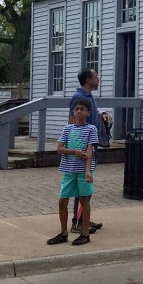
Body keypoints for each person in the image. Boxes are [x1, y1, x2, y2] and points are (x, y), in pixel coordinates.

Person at [46, 99, 97, 246]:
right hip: (69, 170)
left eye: (82, 109)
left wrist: (88, 171)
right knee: (63, 201)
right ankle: (63, 232)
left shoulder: (91, 129)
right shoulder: (68, 129)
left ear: (88, 113)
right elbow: (60, 148)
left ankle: (85, 233)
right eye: (76, 109)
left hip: (83, 171)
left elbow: (89, 150)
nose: (79, 112)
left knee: (84, 200)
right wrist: (74, 152)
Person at [69, 68, 112, 234]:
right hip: (84, 147)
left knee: (86, 186)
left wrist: (101, 115)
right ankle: (77, 221)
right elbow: (73, 120)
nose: (98, 79)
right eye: (95, 77)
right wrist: (77, 147)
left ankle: (83, 217)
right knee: (82, 185)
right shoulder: (78, 97)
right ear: (88, 80)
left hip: (91, 146)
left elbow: (88, 116)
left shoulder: (87, 96)